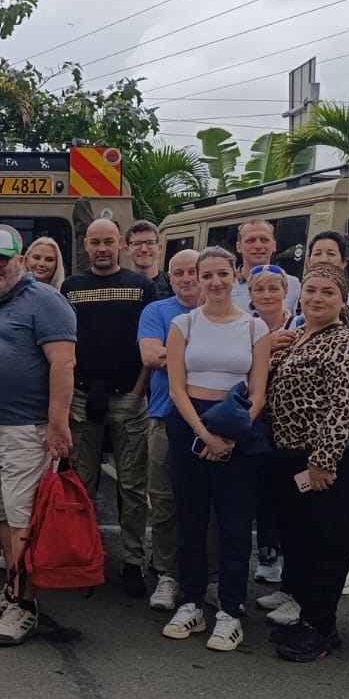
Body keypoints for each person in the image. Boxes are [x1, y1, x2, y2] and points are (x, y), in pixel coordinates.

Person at [0, 226, 77, 647]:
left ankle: (25, 605)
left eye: (2, 259)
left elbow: (63, 364)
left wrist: (57, 424)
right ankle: (12, 589)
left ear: (21, 260)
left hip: (23, 430)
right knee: (2, 517)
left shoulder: (46, 301)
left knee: (23, 520)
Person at [264, 264, 349, 662]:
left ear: (342, 300)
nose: (317, 298)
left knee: (327, 543)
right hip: (293, 456)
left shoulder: (346, 344)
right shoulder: (299, 335)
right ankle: (311, 618)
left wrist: (323, 463)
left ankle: (320, 628)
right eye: (311, 290)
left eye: (327, 292)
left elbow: (342, 409)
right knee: (303, 539)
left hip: (333, 460)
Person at [162, 246, 273, 652]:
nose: (214, 282)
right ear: (197, 278)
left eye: (222, 274)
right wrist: (203, 434)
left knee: (235, 523)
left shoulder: (255, 328)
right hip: (189, 424)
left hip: (237, 426)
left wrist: (229, 435)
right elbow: (176, 387)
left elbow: (258, 391)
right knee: (191, 519)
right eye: (206, 275)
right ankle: (191, 601)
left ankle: (229, 609)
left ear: (235, 275)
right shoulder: (183, 324)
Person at [62, 218, 155, 598]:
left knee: (132, 486)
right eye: (95, 242)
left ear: (120, 244)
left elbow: (150, 342)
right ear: (86, 245)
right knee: (82, 484)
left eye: (108, 241)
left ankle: (133, 561)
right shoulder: (71, 288)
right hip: (82, 398)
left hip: (128, 397)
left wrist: (138, 390)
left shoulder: (141, 287)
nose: (102, 249)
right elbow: (64, 342)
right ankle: (86, 559)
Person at [137, 249, 210, 611]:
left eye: (193, 271)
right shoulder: (156, 311)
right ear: (169, 277)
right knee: (164, 501)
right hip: (164, 417)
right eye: (178, 273)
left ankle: (209, 576)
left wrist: (176, 356)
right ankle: (167, 574)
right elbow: (151, 356)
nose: (186, 278)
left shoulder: (223, 313)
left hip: (214, 421)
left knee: (211, 503)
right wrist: (210, 358)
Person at [246, 264, 294, 585]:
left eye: (273, 288)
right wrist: (263, 348)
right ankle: (267, 552)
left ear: (285, 292)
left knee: (289, 490)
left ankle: (296, 559)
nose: (266, 295)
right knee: (260, 487)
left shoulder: (301, 324)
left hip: (291, 423)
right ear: (250, 294)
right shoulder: (243, 326)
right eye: (259, 289)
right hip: (255, 419)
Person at [304, 231, 349, 333]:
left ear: (343, 262)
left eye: (331, 254)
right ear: (308, 261)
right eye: (317, 253)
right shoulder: (301, 296)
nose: (323, 259)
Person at [232, 219, 299, 315]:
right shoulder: (227, 286)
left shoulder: (293, 284)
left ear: (274, 245)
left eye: (264, 240)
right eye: (250, 241)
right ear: (238, 247)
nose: (258, 246)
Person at [127, 220, 171, 298]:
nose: (144, 249)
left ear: (159, 248)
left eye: (150, 243)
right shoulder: (118, 287)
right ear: (127, 250)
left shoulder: (173, 284)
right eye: (137, 244)